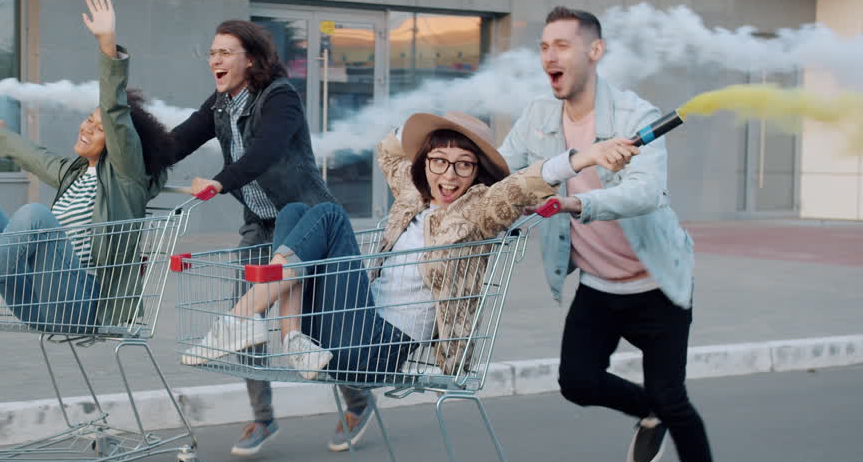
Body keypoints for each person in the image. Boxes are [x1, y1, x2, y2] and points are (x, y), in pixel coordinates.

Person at [184, 111, 635, 387]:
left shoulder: (479, 211)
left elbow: (519, 188)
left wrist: (588, 157)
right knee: (295, 212)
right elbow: (388, 150)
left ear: (477, 174)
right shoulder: (414, 196)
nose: (450, 175)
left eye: (464, 165)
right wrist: (434, 122)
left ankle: (242, 318)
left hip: (377, 347)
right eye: (439, 161)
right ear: (426, 163)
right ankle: (291, 336)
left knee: (329, 215)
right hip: (345, 329)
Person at [498, 5, 728, 462]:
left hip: (656, 286)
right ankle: (648, 411)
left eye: (561, 45)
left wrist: (580, 205)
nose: (549, 56)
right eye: (543, 47)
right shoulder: (536, 117)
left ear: (594, 52)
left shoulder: (634, 115)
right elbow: (505, 171)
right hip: (598, 285)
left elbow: (646, 193)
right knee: (577, 382)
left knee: (673, 396)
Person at [0, 0, 176, 334]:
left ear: (121, 142)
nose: (86, 127)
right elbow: (36, 157)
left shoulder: (125, 176)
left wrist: (108, 45)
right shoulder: (75, 172)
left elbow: (114, 110)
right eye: (87, 120)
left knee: (35, 215)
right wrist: (1, 133)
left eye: (98, 127)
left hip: (83, 305)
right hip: (39, 297)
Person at [170, 20, 373, 456]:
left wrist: (220, 182)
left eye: (225, 52)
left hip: (305, 223)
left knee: (314, 325)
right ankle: (262, 417)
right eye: (212, 53)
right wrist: (136, 154)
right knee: (244, 320)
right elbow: (177, 141)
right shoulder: (221, 105)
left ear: (251, 59)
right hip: (259, 225)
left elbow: (267, 152)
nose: (215, 61)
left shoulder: (279, 97)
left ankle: (358, 400)